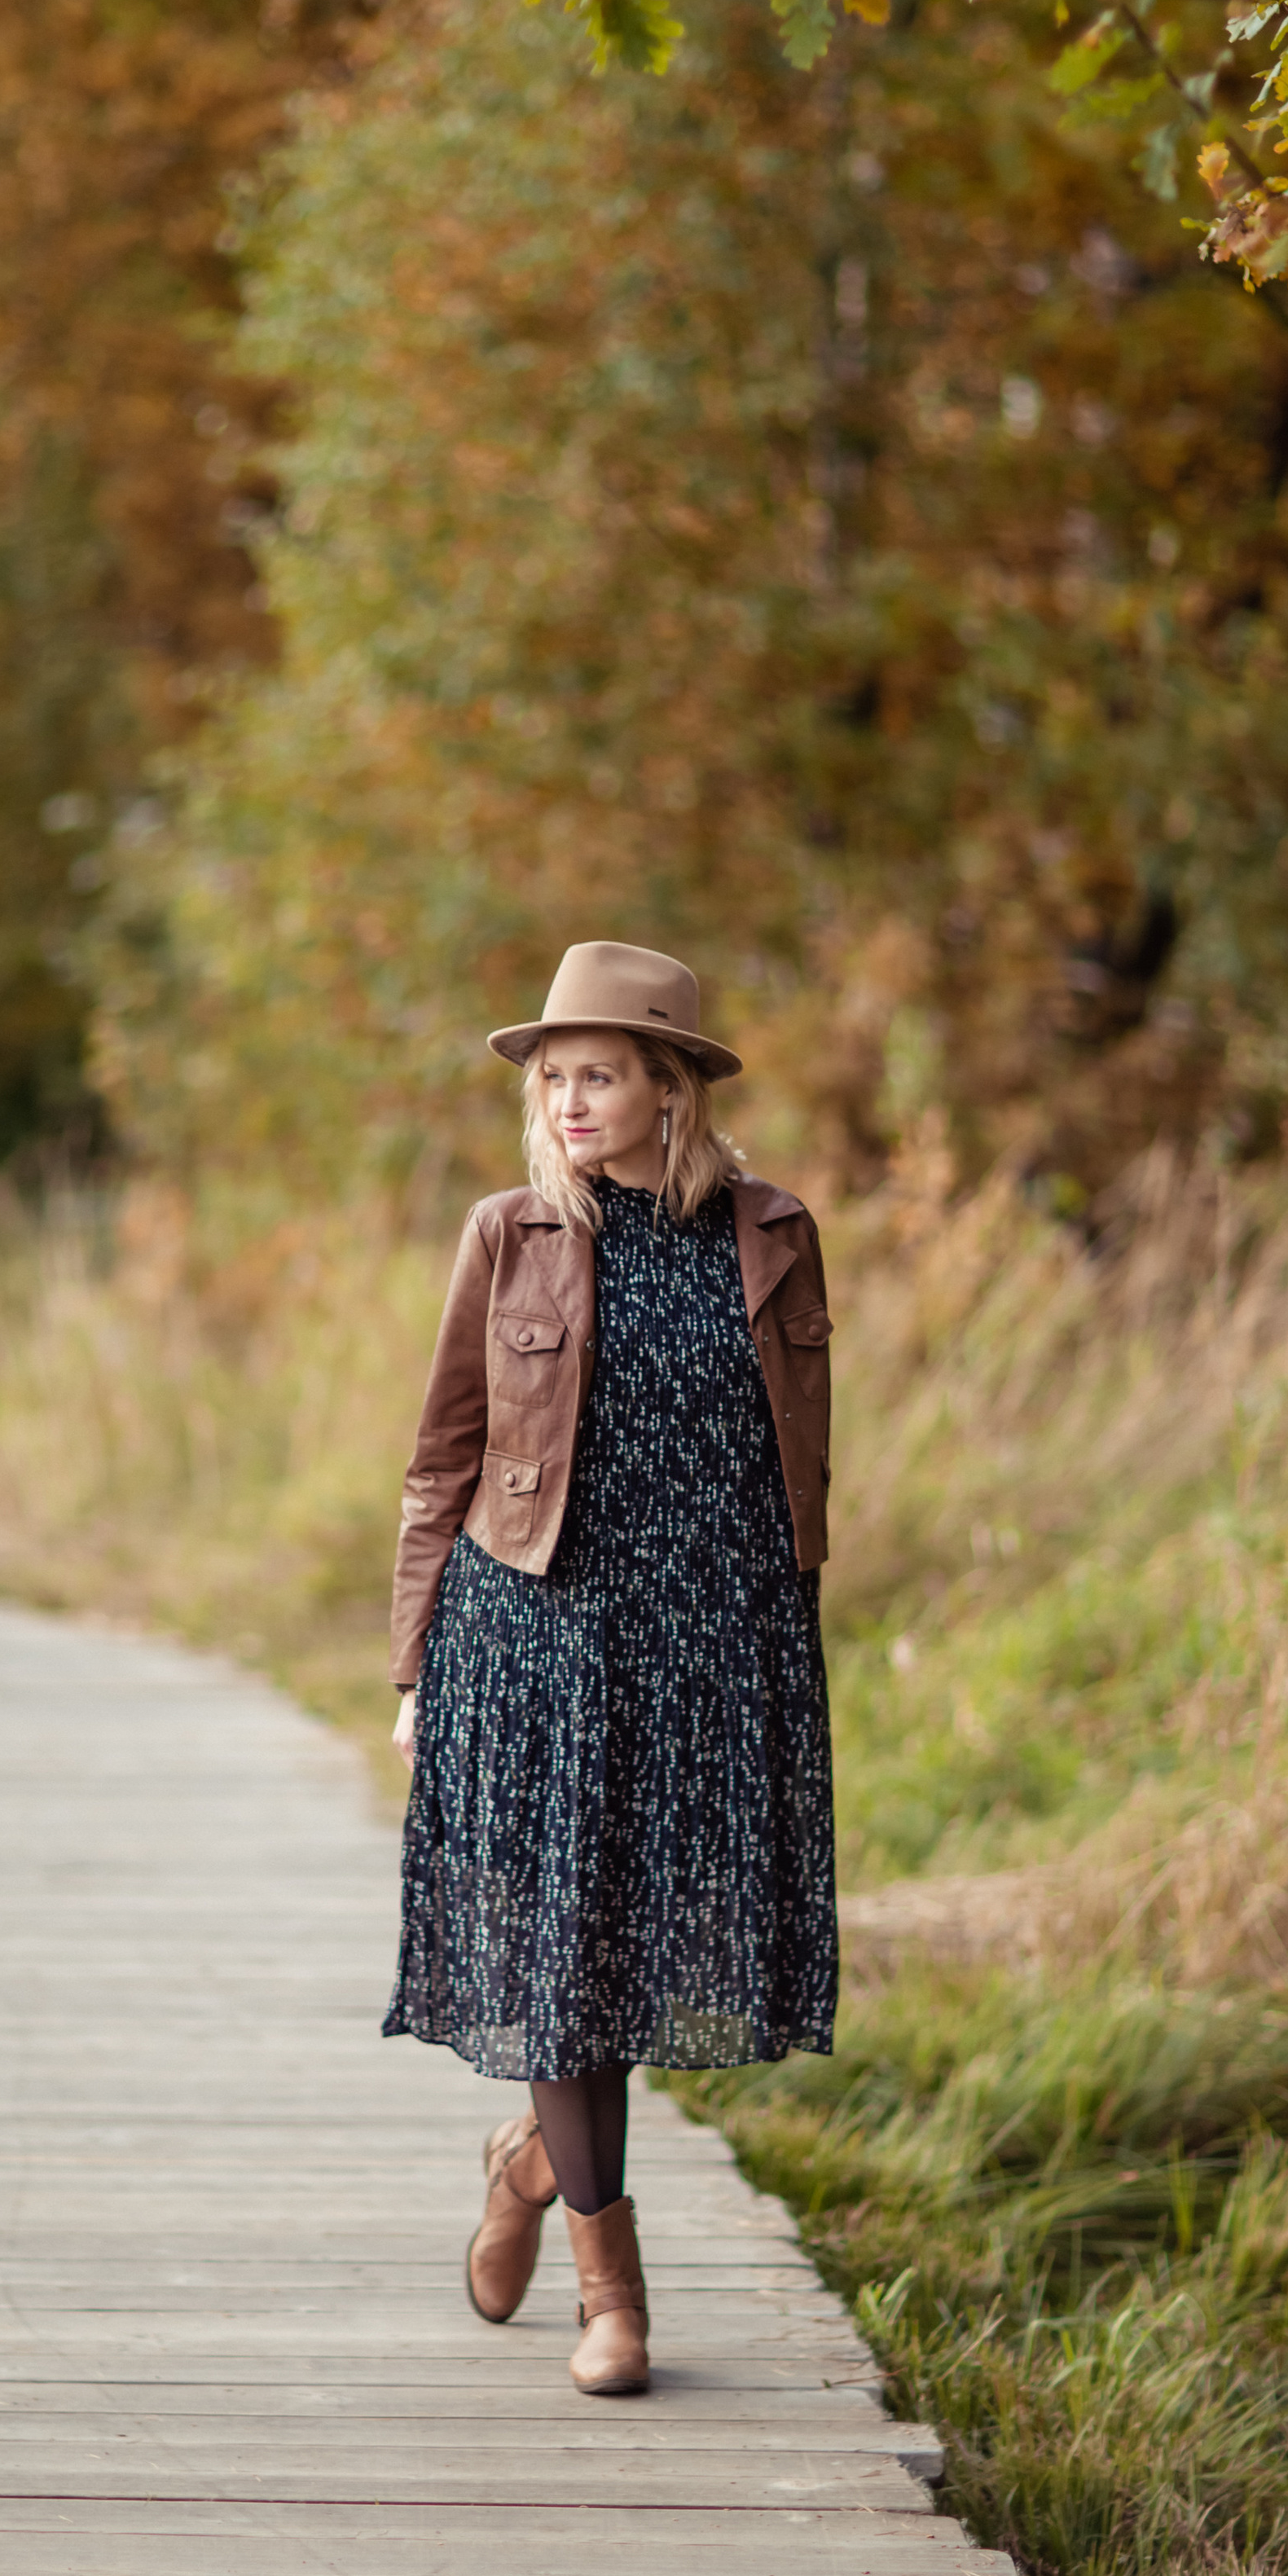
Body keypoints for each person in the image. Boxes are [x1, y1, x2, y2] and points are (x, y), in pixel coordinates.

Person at [381, 940, 838, 2396]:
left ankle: (530, 2161)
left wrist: (784, 1638)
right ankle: (615, 2297)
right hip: (533, 1636)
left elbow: (793, 1463)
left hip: (711, 1641)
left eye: (599, 1075)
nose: (569, 1101)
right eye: (554, 1078)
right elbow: (444, 1453)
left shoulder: (772, 1233)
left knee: (639, 1950)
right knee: (566, 1951)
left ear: (670, 1089)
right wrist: (412, 1667)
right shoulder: (508, 1232)